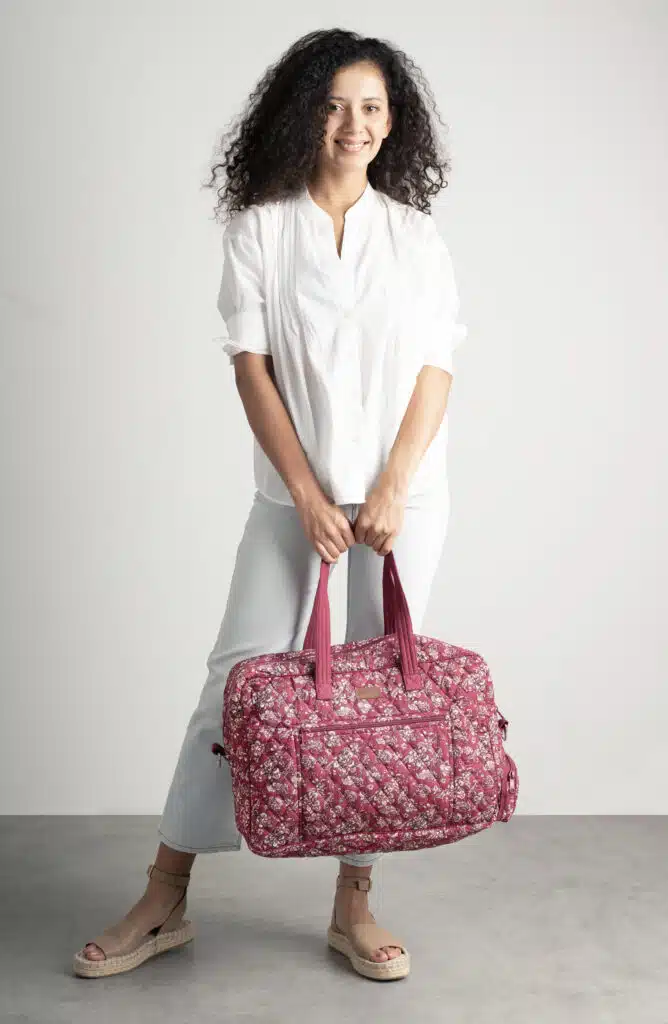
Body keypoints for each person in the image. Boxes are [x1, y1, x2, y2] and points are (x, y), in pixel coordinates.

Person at [72, 26, 468, 982]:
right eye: (333, 106)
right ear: (303, 116)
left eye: (370, 108)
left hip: (402, 503)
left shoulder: (414, 238)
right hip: (293, 500)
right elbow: (251, 369)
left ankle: (353, 903)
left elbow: (434, 369)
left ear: (392, 123)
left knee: (376, 694)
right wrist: (304, 493)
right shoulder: (259, 229)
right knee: (236, 681)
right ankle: (164, 899)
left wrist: (391, 486)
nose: (352, 125)